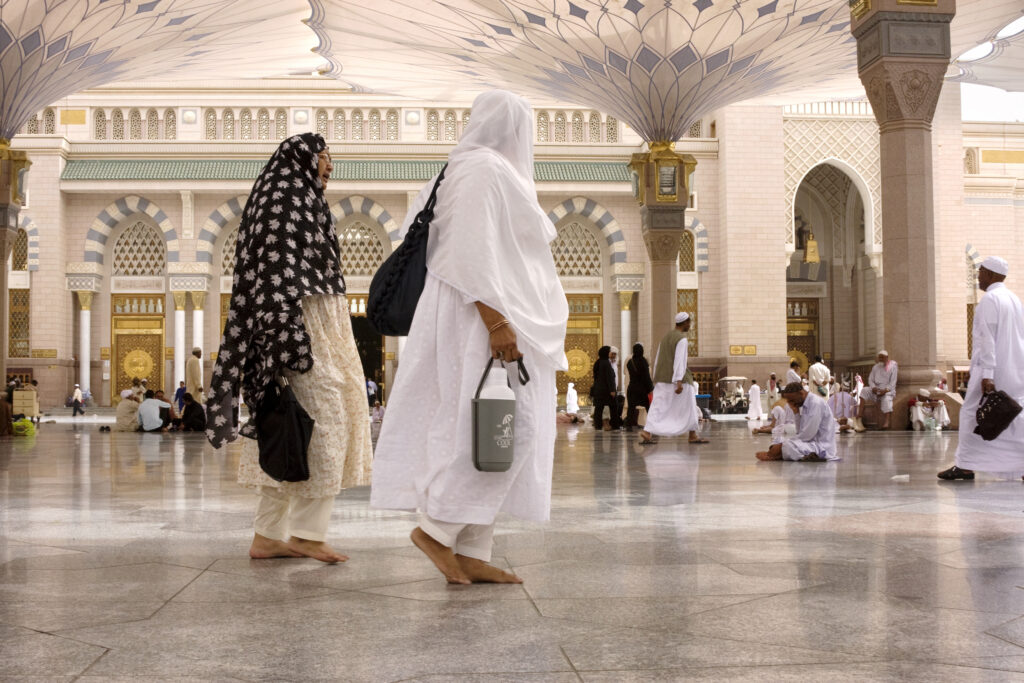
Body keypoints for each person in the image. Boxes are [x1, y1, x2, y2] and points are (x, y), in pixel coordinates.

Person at [371, 90, 569, 585]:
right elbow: (469, 253)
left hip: (493, 316)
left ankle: (473, 548)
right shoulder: (480, 169)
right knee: (501, 425)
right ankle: (437, 529)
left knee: (491, 431)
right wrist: (497, 322)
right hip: (481, 320)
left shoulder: (472, 169)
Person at [207, 132, 372, 564]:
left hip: (308, 322)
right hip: (300, 326)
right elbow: (276, 275)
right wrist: (288, 343)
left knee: (289, 425)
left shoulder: (291, 193)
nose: (330, 166)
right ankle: (306, 535)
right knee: (324, 422)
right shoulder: (284, 195)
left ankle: (267, 536)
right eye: (325, 157)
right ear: (304, 157)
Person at [938, 256, 1024, 480]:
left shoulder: (990, 300)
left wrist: (987, 374)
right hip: (1015, 368)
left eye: (981, 273)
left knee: (970, 414)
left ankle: (965, 466)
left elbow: (987, 339)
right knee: (1014, 416)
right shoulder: (1014, 299)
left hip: (993, 370)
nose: (978, 278)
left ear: (992, 274)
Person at [639, 313, 708, 445]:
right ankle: (692, 435)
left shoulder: (665, 338)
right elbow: (679, 361)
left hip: (661, 378)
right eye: (689, 322)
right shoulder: (681, 339)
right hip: (678, 379)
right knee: (690, 405)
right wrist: (678, 381)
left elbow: (658, 359)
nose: (689, 325)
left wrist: (657, 376)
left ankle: (647, 431)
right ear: (685, 322)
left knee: (658, 405)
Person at [756, 383, 839, 462]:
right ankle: (784, 454)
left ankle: (775, 454)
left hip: (822, 447)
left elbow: (807, 435)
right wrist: (796, 412)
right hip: (810, 443)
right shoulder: (803, 403)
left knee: (788, 446)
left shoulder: (815, 404)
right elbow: (799, 431)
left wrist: (783, 444)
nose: (791, 403)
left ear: (801, 393)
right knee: (778, 440)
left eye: (792, 400)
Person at [853, 350, 898, 431]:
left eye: (882, 357)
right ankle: (859, 416)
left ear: (887, 358)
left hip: (887, 390)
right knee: (864, 390)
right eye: (879, 357)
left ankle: (886, 422)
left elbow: (893, 382)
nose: (880, 359)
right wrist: (873, 388)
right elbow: (870, 379)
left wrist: (885, 390)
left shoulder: (893, 367)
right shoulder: (875, 367)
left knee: (887, 399)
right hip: (876, 389)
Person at [624, 343, 653, 431]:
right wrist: (650, 389)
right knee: (649, 407)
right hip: (642, 389)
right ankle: (653, 424)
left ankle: (629, 426)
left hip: (632, 388)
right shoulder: (643, 361)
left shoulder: (630, 362)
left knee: (631, 408)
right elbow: (646, 377)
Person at [591, 346, 618, 431]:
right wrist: (612, 390)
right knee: (614, 407)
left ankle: (598, 425)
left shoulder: (598, 362)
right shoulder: (606, 363)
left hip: (598, 390)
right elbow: (609, 378)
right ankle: (615, 425)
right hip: (606, 391)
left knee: (598, 408)